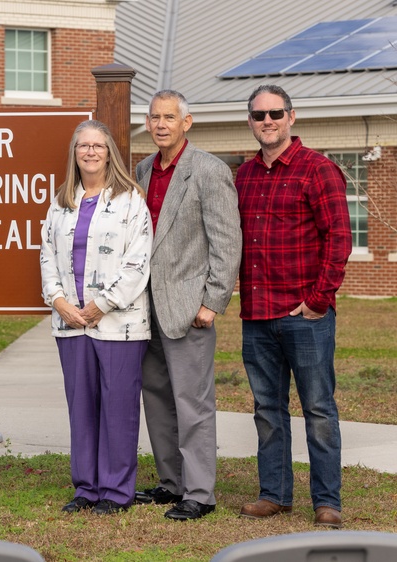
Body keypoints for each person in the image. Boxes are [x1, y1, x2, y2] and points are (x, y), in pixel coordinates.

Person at [235, 84, 351, 529]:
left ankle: (326, 501)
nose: (268, 121)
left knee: (318, 409)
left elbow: (339, 239)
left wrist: (319, 300)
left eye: (275, 113)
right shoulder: (243, 176)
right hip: (257, 316)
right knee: (267, 410)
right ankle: (274, 495)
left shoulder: (317, 169)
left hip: (305, 317)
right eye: (259, 115)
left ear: (291, 117)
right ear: (250, 121)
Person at [133, 90, 242, 521]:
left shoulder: (208, 170)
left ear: (187, 122)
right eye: (155, 118)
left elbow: (227, 243)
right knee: (157, 398)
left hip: (190, 307)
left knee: (193, 402)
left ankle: (200, 492)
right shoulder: (143, 169)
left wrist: (213, 301)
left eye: (169, 118)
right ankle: (170, 483)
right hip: (147, 308)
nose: (161, 124)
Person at [39, 120, 152, 516]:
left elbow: (139, 263)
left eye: (97, 146)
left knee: (118, 409)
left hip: (118, 324)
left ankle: (116, 493)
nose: (90, 152)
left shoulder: (130, 200)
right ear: (75, 153)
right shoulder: (61, 201)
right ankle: (86, 488)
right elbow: (47, 256)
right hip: (71, 324)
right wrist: (58, 301)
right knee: (82, 409)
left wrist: (100, 305)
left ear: (109, 153)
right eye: (83, 146)